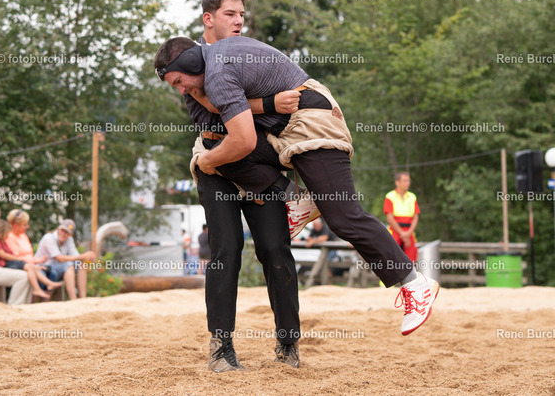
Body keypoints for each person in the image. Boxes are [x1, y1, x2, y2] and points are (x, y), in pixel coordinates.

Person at [154, 33, 440, 336]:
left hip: (312, 122)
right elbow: (221, 121)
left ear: (190, 61)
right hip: (286, 129)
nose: (181, 90)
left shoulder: (217, 72)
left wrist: (207, 162)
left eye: (179, 81)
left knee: (343, 217)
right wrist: (259, 108)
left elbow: (244, 140)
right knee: (219, 149)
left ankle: (415, 283)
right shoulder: (214, 64)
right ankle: (298, 199)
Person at [162, 0, 301, 371]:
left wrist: (269, 107)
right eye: (230, 14)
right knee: (225, 251)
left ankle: (288, 343)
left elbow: (267, 113)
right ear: (208, 19)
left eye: (242, 14)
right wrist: (269, 104)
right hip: (219, 163)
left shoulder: (248, 54)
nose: (239, 21)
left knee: (275, 248)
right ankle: (221, 346)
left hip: (258, 163)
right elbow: (218, 116)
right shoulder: (190, 63)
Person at [0, 219, 60, 299]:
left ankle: (48, 283)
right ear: (0, 232)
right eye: (6, 234)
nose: (7, 236)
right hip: (5, 263)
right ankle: (37, 289)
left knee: (32, 267)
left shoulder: (3, 241)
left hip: (11, 262)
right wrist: (19, 258)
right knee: (29, 267)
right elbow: (3, 255)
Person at [34, 219, 95, 300]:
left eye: (66, 232)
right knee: (68, 266)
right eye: (62, 230)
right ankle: (73, 299)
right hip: (43, 269)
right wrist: (84, 256)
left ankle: (83, 299)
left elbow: (76, 257)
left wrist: (87, 258)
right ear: (58, 229)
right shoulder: (49, 238)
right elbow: (60, 259)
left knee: (81, 264)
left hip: (55, 269)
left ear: (71, 234)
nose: (63, 233)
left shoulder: (69, 240)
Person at [384, 172, 420, 262]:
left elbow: (416, 217)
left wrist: (408, 233)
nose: (407, 183)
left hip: (409, 231)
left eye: (408, 181)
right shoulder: (390, 196)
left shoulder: (412, 197)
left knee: (411, 259)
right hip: (395, 231)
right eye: (405, 181)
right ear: (397, 182)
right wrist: (402, 234)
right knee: (392, 257)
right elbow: (389, 218)